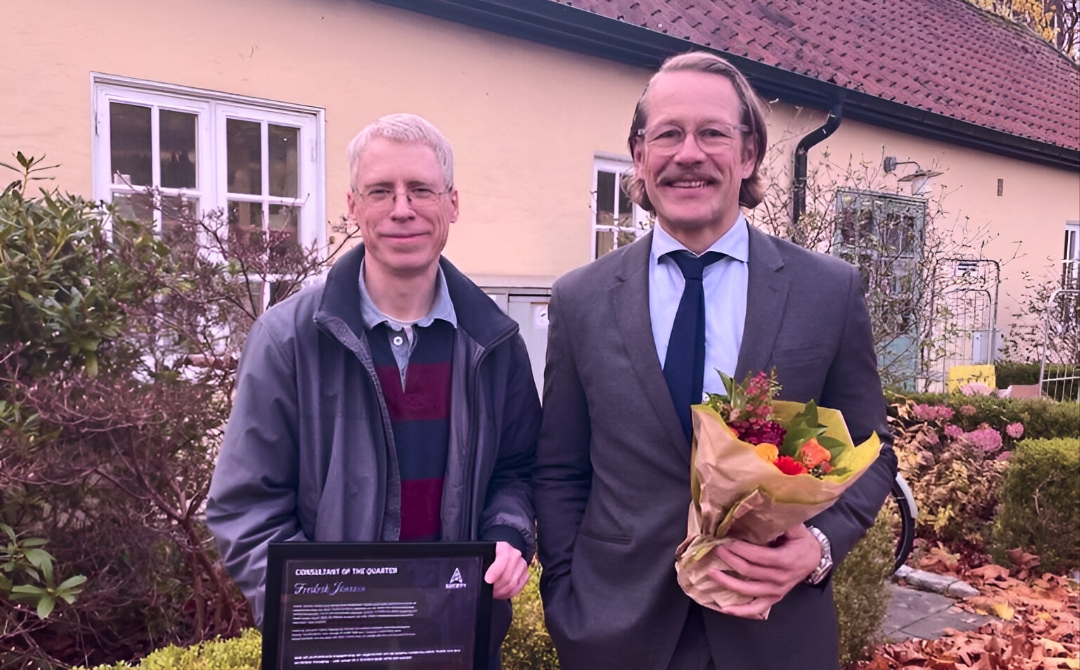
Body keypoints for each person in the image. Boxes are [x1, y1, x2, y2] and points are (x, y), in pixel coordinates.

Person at [534, 52, 897, 670]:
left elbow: (872, 448)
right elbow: (560, 469)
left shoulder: (825, 291)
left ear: (748, 153)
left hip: (773, 631)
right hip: (614, 632)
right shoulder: (580, 298)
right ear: (640, 155)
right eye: (667, 134)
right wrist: (565, 595)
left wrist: (818, 546)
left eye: (712, 133)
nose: (688, 154)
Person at [206, 113, 539, 665]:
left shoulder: (495, 343)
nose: (401, 208)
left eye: (421, 190)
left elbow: (519, 470)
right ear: (353, 206)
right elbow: (246, 505)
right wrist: (320, 612)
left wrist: (508, 534)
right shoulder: (287, 341)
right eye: (380, 191)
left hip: (458, 641)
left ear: (453, 204)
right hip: (330, 649)